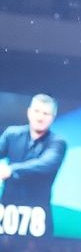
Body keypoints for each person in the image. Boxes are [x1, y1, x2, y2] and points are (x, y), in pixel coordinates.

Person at [0, 94, 67, 237]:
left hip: (38, 216)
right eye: (37, 111)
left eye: (45, 113)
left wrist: (11, 169)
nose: (40, 117)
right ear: (29, 112)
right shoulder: (12, 134)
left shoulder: (57, 142)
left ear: (52, 117)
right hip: (7, 212)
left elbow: (47, 163)